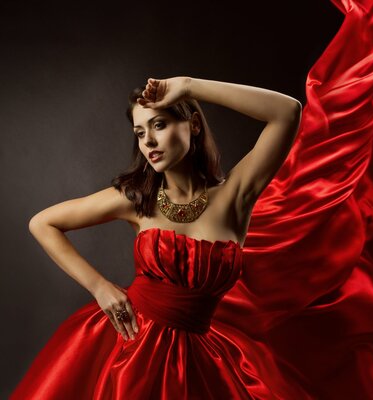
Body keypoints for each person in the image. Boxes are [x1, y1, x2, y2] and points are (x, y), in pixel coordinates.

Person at [10, 76, 315, 399]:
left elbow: (287, 112)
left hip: (196, 363)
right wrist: (100, 287)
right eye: (140, 133)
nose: (149, 142)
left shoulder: (234, 197)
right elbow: (42, 223)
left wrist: (189, 85)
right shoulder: (136, 199)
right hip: (126, 346)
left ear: (193, 125)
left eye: (159, 125)